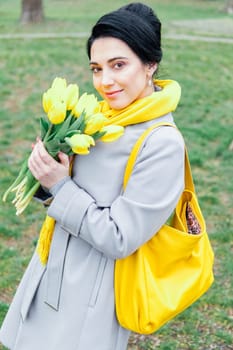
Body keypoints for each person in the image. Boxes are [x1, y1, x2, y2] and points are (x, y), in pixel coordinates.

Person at [0, 2, 185, 350]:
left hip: (91, 299)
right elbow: (66, 192)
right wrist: (48, 170)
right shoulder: (100, 119)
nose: (105, 81)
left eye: (118, 65)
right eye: (96, 68)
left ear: (150, 65)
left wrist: (59, 185)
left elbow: (119, 236)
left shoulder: (162, 143)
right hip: (51, 270)